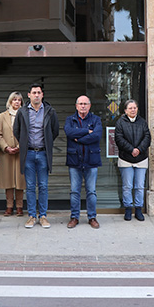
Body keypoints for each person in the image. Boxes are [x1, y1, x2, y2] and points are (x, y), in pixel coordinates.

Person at [13, 83, 59, 229]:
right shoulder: (22, 111)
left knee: (43, 186)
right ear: (29, 95)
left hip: (43, 153)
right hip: (29, 153)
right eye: (34, 93)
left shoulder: (50, 111)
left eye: (39, 92)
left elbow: (55, 130)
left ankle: (43, 216)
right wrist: (24, 143)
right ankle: (32, 216)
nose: (36, 95)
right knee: (30, 186)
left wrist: (47, 143)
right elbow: (16, 130)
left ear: (42, 95)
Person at [65, 95, 103, 229]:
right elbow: (69, 132)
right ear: (76, 106)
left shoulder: (96, 119)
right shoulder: (70, 120)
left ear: (89, 106)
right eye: (80, 104)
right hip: (74, 160)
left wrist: (79, 139)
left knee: (91, 191)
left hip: (91, 160)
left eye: (85, 104)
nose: (83, 106)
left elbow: (97, 135)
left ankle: (92, 217)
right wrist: (87, 131)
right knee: (74, 191)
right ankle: (74, 217)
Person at [114, 99, 151, 222]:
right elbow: (119, 139)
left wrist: (139, 149)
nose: (133, 110)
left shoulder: (142, 122)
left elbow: (147, 137)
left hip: (141, 158)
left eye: (135, 108)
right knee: (127, 186)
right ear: (125, 110)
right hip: (125, 158)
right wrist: (131, 149)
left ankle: (139, 209)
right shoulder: (120, 122)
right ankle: (128, 209)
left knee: (140, 186)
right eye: (130, 108)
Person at [0, 91, 25, 216]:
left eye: (19, 100)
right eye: (14, 100)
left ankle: (19, 206)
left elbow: (27, 134)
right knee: (8, 181)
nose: (16, 102)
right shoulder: (2, 116)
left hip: (20, 152)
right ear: (10, 101)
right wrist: (6, 147)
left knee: (20, 180)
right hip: (6, 153)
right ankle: (9, 206)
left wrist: (19, 147)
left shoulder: (25, 115)